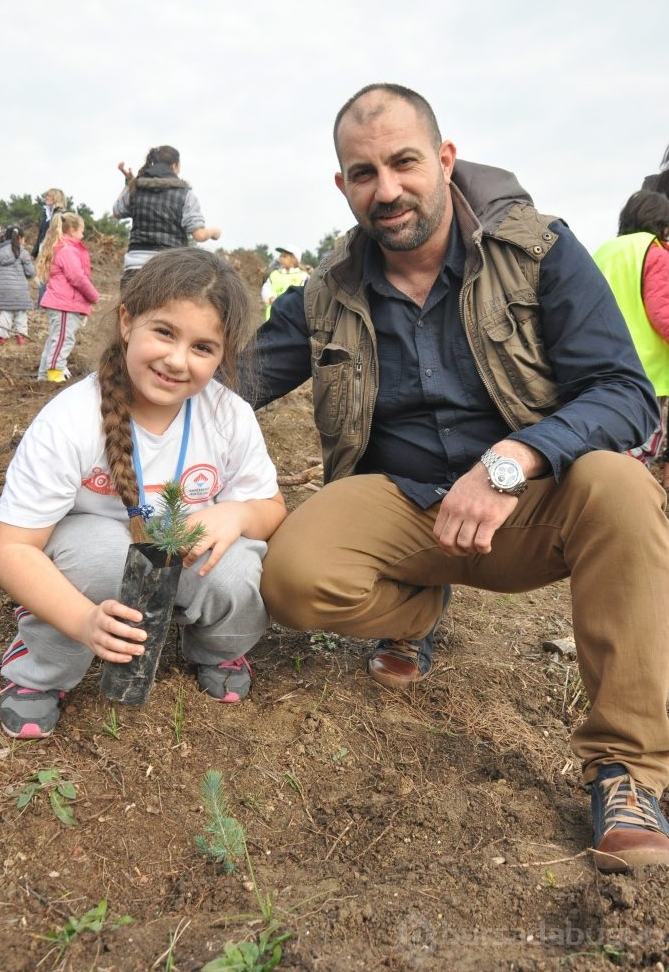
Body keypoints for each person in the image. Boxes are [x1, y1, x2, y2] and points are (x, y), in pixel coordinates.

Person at [243, 83, 669, 872]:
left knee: (621, 484)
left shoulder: (539, 250)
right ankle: (415, 611)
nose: (388, 188)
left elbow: (624, 393)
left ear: (443, 159)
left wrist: (509, 461)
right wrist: (111, 401)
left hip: (529, 505)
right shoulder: (329, 288)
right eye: (363, 173)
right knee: (294, 577)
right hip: (402, 507)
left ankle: (628, 771)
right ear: (343, 186)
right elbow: (235, 373)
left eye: (404, 162)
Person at [0, 248, 286, 740]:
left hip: (185, 545)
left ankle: (215, 647)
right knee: (102, 562)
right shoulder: (70, 420)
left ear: (223, 355)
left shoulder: (229, 416)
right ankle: (41, 666)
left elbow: (271, 509)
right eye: (165, 332)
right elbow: (12, 548)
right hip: (97, 547)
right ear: (127, 321)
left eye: (203, 347)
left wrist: (235, 515)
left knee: (240, 566)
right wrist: (84, 620)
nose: (176, 359)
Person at [593, 190, 669, 467]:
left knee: (612, 433)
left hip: (600, 363)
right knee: (644, 442)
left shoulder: (604, 251)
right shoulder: (654, 252)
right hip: (646, 369)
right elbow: (663, 313)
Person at [113, 146, 222, 287]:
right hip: (170, 268)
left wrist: (129, 183)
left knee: (131, 309)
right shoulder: (184, 194)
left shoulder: (136, 189)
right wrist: (214, 232)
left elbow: (117, 211)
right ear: (175, 166)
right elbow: (199, 235)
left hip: (135, 268)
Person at [35, 211, 100, 383]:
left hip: (63, 303)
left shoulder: (62, 248)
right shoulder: (67, 250)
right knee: (63, 339)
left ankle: (43, 376)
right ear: (71, 230)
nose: (83, 234)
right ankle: (54, 374)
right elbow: (77, 277)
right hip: (65, 304)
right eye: (81, 230)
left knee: (55, 340)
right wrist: (93, 295)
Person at [0, 225, 35, 345]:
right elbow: (31, 272)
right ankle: (20, 337)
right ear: (20, 238)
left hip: (3, 289)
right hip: (19, 290)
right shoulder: (23, 252)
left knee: (5, 313)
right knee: (20, 314)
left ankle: (2, 338)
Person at [261, 245, 309, 320]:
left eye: (284, 256)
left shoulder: (303, 276)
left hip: (293, 321)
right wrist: (271, 298)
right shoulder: (274, 274)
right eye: (281, 256)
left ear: (294, 259)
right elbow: (266, 288)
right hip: (272, 320)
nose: (281, 258)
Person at [31, 189, 67, 259]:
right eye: (46, 195)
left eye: (49, 196)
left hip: (54, 251)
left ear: (57, 198)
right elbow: (40, 235)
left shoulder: (62, 215)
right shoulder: (46, 214)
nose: (46, 197)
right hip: (42, 249)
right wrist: (34, 253)